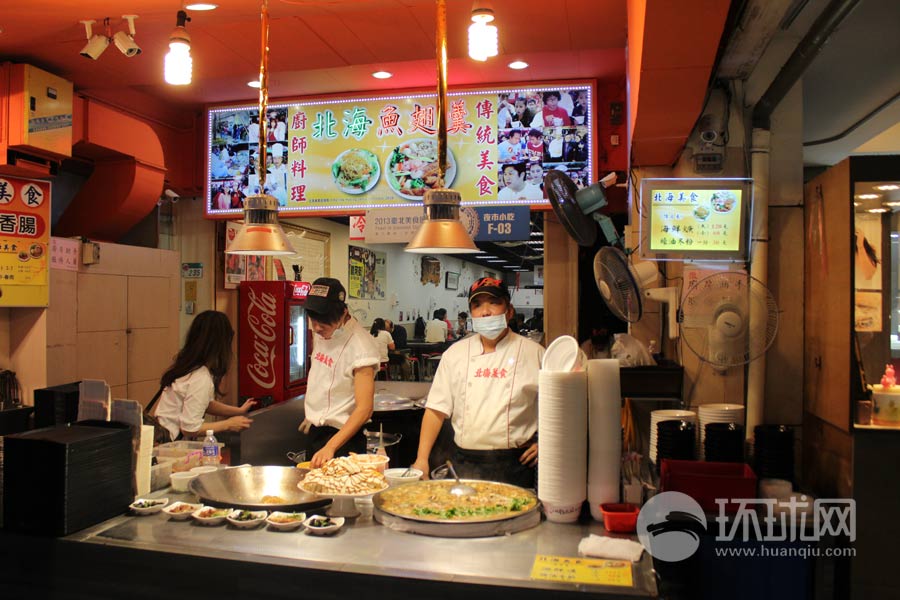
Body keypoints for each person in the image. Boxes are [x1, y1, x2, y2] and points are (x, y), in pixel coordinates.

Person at [412, 278, 544, 488]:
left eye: (493, 302)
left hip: (515, 465)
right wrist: (421, 458)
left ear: (509, 311)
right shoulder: (455, 354)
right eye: (477, 305)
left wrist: (546, 443)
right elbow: (436, 409)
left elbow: (557, 408)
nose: (485, 311)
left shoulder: (534, 354)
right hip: (464, 463)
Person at [302, 278, 380, 467]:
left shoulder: (362, 346)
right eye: (313, 321)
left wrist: (331, 446)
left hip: (343, 439)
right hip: (317, 431)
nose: (317, 328)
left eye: (324, 323)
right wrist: (313, 414)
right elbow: (323, 376)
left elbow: (364, 409)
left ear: (344, 312)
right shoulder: (323, 332)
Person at [155, 311, 255, 442]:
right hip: (170, 444)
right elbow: (190, 428)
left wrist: (238, 411)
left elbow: (205, 404)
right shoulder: (200, 377)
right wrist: (228, 424)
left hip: (162, 438)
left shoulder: (187, 367)